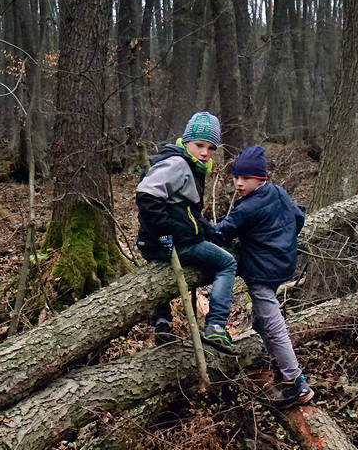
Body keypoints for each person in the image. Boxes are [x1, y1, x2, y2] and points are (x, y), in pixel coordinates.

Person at [209, 145, 314, 409]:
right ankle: (278, 364)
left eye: (246, 178)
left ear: (261, 178)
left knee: (272, 324)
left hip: (261, 273)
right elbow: (298, 218)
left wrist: (202, 229)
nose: (239, 183)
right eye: (236, 177)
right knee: (260, 321)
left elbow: (222, 233)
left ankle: (296, 382)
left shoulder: (248, 208)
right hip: (284, 266)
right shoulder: (278, 193)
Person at [135, 111, 238, 355]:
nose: (205, 152)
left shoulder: (187, 164)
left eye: (211, 148)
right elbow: (146, 196)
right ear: (186, 141)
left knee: (163, 272)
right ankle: (215, 325)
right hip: (173, 242)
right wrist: (165, 233)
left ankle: (163, 321)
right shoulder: (178, 163)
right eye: (199, 145)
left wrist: (210, 232)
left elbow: (187, 213)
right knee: (227, 262)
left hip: (158, 242)